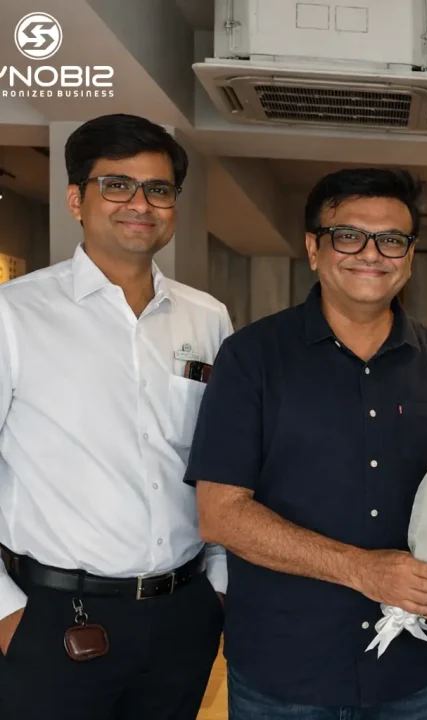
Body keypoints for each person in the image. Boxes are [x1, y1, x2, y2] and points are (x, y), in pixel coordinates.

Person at [185, 167, 427, 719]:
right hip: (286, 671)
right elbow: (220, 514)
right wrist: (362, 570)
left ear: (410, 255)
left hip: (411, 671)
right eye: (349, 235)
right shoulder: (252, 357)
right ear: (313, 249)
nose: (372, 253)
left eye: (391, 239)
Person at [0, 114, 230, 719]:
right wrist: (5, 612)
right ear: (77, 199)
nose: (140, 204)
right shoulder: (14, 313)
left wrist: (219, 586)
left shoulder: (207, 318)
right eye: (117, 185)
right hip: (54, 617)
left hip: (184, 612)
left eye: (159, 189)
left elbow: (224, 460)